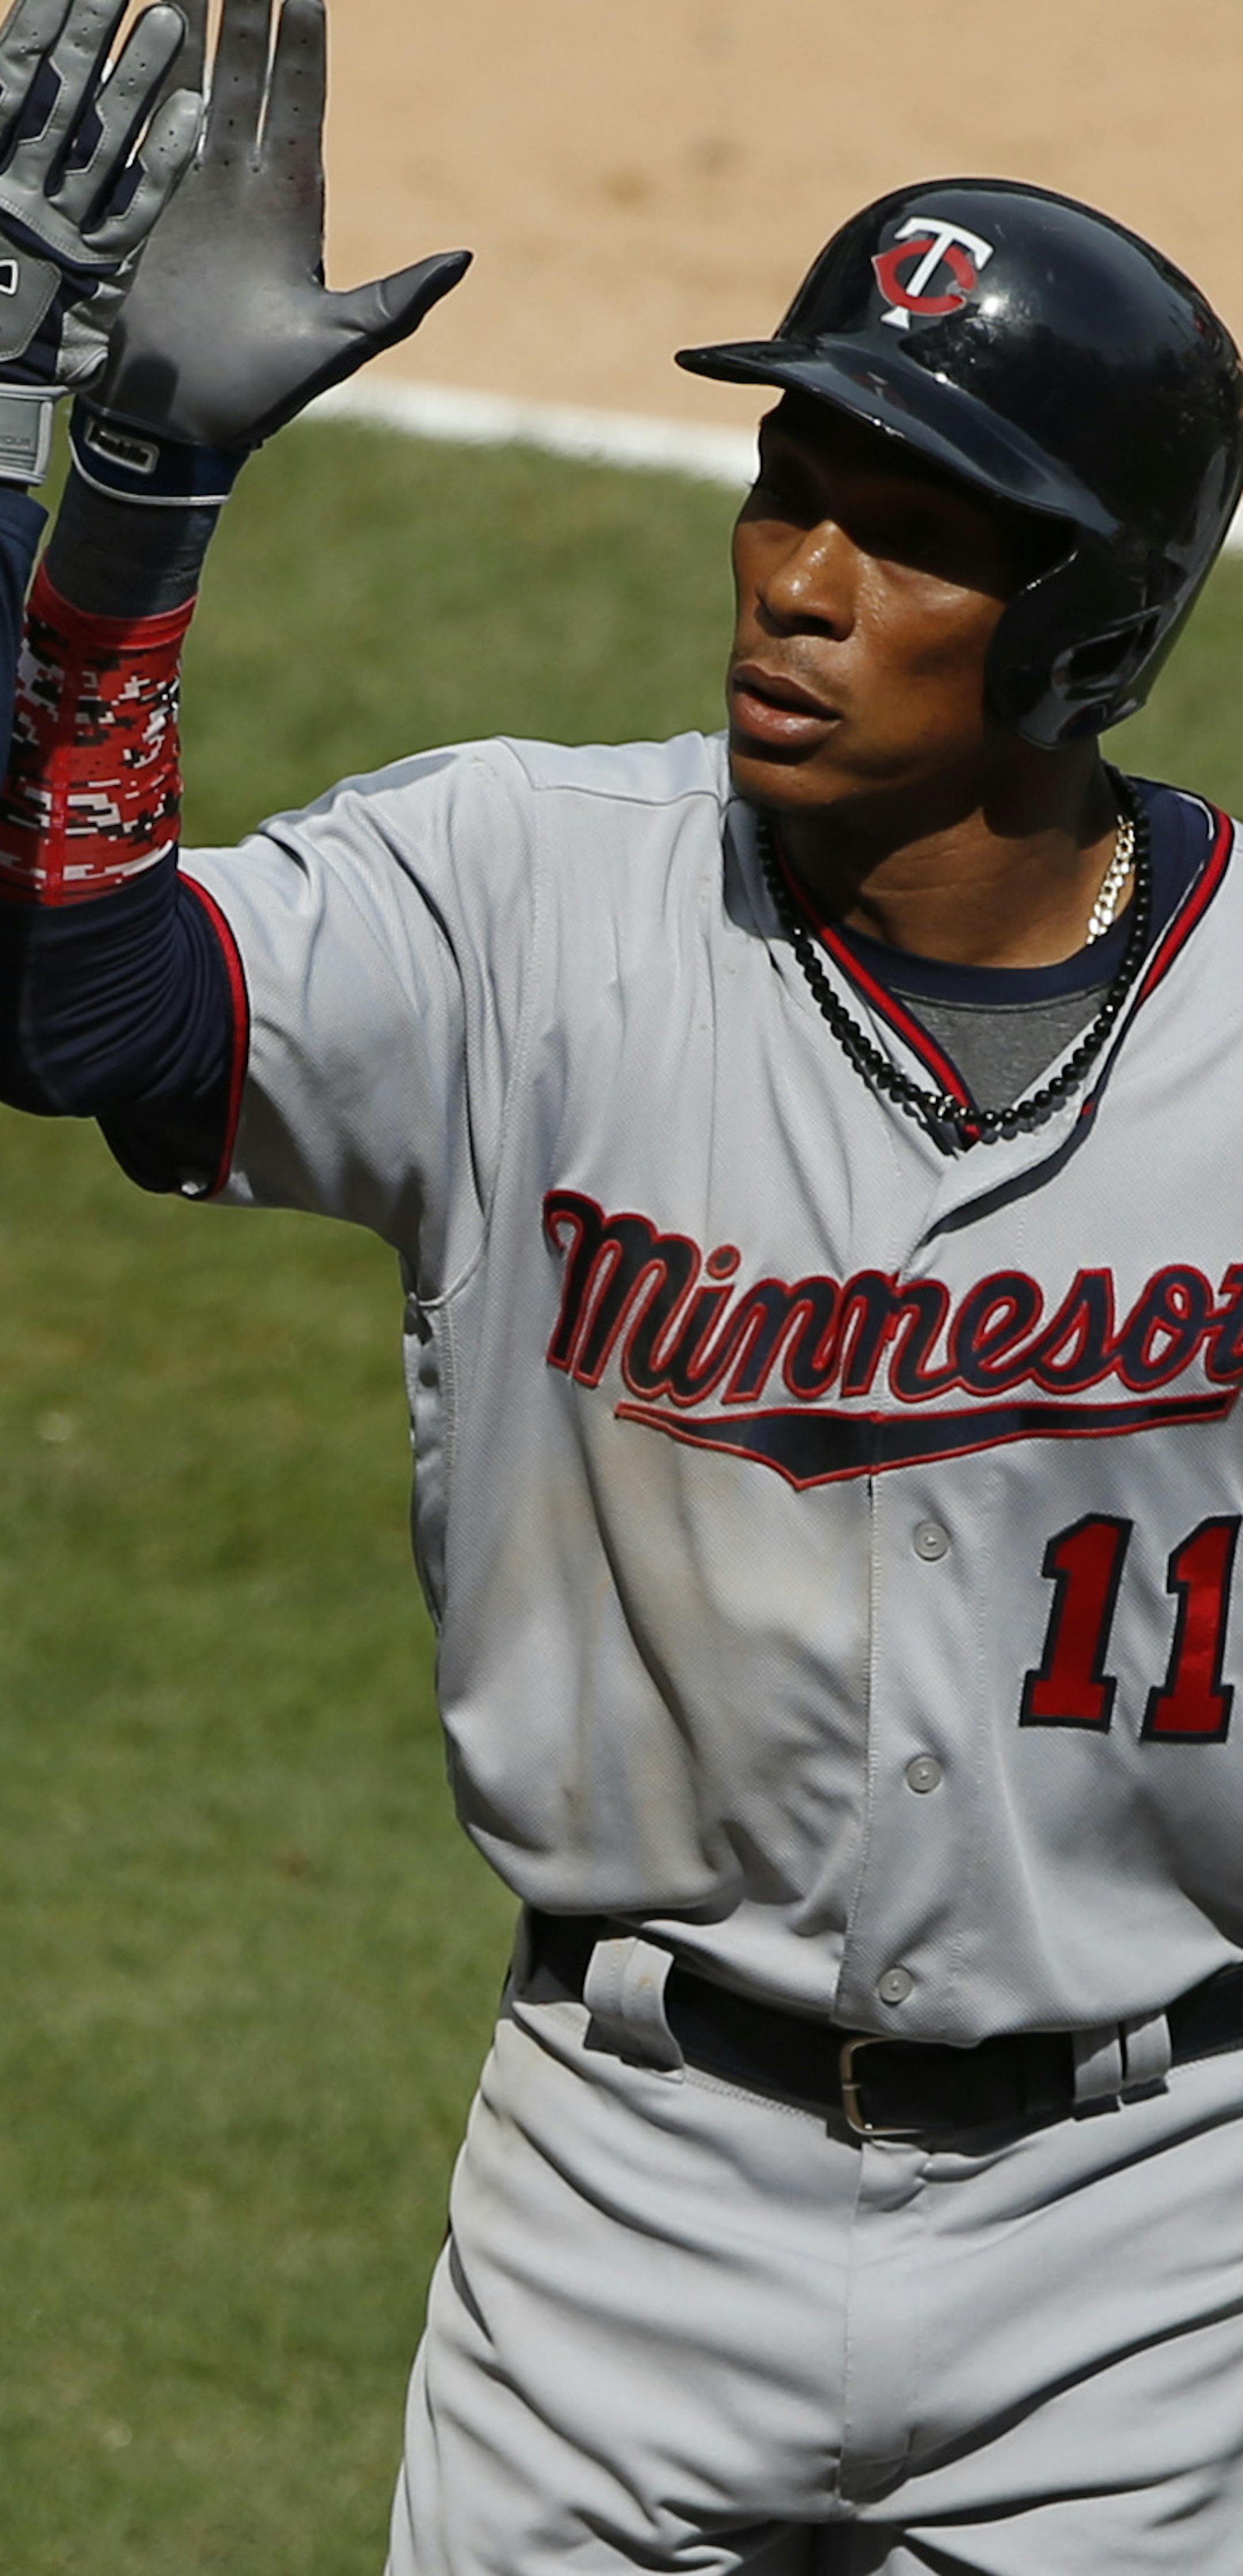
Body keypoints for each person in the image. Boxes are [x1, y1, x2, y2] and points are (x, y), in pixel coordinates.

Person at [4, 0, 1243, 2569]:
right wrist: (125, 505)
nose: (794, 579)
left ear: (1091, 619)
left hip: (1159, 2240)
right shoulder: (517, 898)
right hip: (623, 2205)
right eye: (787, 486)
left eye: (910, 532)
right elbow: (69, 1008)